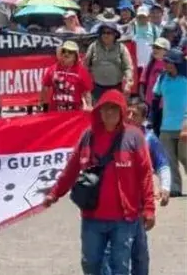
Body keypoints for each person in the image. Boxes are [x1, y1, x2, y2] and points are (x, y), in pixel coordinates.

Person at [44, 90, 156, 275]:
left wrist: (149, 208)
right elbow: (71, 169)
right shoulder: (88, 137)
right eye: (105, 108)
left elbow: (145, 174)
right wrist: (54, 193)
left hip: (124, 219)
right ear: (99, 111)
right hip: (92, 217)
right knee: (90, 264)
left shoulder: (134, 137)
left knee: (120, 267)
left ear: (121, 111)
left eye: (114, 108)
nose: (109, 112)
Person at [100, 102, 171, 275]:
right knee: (109, 252)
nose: (130, 117)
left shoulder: (149, 139)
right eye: (128, 113)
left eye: (135, 114)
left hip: (137, 207)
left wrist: (165, 187)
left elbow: (162, 164)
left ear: (144, 118)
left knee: (139, 253)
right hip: (112, 206)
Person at [151, 48, 187, 196]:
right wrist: (153, 119)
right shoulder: (162, 78)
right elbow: (155, 98)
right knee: (169, 159)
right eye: (166, 61)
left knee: (185, 156)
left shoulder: (185, 78)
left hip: (184, 125)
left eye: (170, 62)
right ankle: (175, 188)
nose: (166, 64)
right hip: (166, 126)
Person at [84, 22, 133, 101]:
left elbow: (128, 68)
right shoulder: (93, 47)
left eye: (109, 33)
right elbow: (85, 66)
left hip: (116, 88)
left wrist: (128, 82)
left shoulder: (121, 48)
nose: (105, 35)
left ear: (115, 34)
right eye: (103, 32)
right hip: (97, 88)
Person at [40, 40, 93, 112]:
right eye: (64, 51)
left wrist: (89, 105)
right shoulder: (52, 69)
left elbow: (86, 92)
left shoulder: (82, 71)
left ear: (75, 56)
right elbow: (45, 86)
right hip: (55, 111)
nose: (66, 54)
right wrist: (42, 102)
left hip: (74, 112)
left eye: (70, 52)